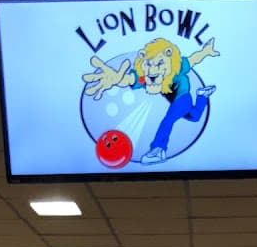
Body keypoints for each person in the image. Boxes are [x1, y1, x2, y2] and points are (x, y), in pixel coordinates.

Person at [82, 37, 219, 164]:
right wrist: (117, 78)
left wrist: (205, 51)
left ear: (169, 55)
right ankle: (202, 95)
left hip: (183, 97)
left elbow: (193, 59)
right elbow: (130, 79)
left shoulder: (177, 66)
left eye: (159, 63)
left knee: (168, 120)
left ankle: (158, 149)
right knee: (194, 116)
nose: (153, 69)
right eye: (148, 64)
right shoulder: (145, 76)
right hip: (174, 100)